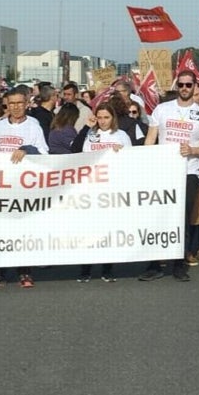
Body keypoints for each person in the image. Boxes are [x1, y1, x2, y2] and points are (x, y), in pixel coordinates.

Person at [141, 69, 199, 281]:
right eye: (180, 85)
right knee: (157, 217)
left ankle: (179, 264)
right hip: (163, 171)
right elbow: (150, 139)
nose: (184, 88)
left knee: (181, 218)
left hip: (188, 172)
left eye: (188, 85)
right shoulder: (162, 109)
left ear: (194, 87)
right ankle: (154, 264)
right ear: (176, 86)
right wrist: (143, 161)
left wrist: (192, 150)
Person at [0, 86, 46, 289]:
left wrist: (27, 149)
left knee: (22, 230)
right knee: (0, 230)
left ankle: (24, 271)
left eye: (20, 103)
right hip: (1, 186)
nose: (16, 107)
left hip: (24, 187)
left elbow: (44, 153)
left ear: (26, 104)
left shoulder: (33, 125)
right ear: (6, 105)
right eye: (12, 104)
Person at [70, 102, 131, 283]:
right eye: (100, 117)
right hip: (91, 188)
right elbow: (75, 150)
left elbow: (132, 160)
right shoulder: (90, 134)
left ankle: (107, 269)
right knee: (88, 230)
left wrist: (122, 153)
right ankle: (85, 269)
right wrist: (86, 127)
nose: (103, 121)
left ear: (113, 118)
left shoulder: (121, 136)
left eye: (107, 117)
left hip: (111, 189)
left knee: (108, 230)